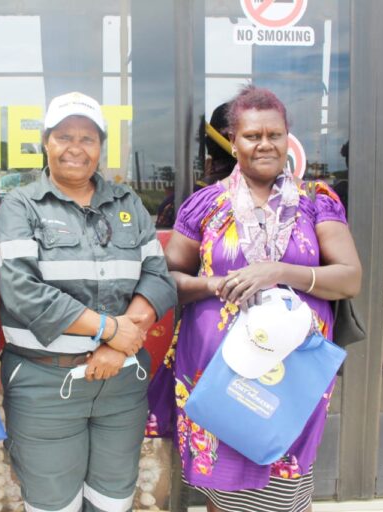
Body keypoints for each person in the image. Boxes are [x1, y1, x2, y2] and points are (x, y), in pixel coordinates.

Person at [147, 86, 361, 512]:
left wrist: (278, 272)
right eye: (252, 136)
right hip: (217, 376)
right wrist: (214, 284)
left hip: (288, 377)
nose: (265, 144)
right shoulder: (204, 206)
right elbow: (166, 279)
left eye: (274, 134)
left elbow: (349, 278)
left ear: (287, 138)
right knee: (223, 495)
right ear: (234, 141)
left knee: (284, 491)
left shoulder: (316, 202)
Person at [0, 91, 177, 512]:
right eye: (64, 136)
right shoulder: (22, 205)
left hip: (122, 386)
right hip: (44, 383)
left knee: (114, 500)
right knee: (53, 504)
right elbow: (22, 291)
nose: (76, 148)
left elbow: (158, 277)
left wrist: (116, 347)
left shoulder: (128, 203)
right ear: (46, 142)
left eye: (88, 138)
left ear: (101, 147)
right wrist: (110, 330)